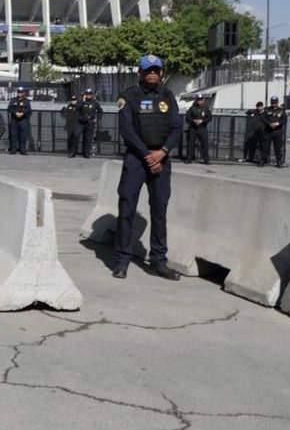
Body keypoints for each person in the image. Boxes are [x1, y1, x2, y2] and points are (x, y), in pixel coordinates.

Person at [112, 54, 183, 281]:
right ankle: (122, 260)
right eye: (148, 70)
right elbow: (127, 130)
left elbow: (176, 128)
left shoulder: (168, 96)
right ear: (140, 73)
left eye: (156, 70)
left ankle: (159, 261)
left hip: (161, 158)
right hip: (136, 158)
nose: (152, 73)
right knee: (126, 209)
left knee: (159, 211)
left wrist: (161, 153)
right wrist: (146, 155)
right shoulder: (128, 96)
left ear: (161, 73)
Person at [184, 93, 212, 164]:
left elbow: (209, 118)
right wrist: (194, 120)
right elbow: (188, 117)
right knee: (190, 144)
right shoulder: (192, 108)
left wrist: (202, 121)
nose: (199, 101)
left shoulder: (206, 108)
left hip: (202, 128)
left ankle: (206, 160)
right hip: (193, 128)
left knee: (205, 144)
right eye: (198, 100)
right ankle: (189, 159)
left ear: (203, 100)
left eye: (201, 100)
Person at [260, 95, 287, 168]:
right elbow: (262, 118)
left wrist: (277, 123)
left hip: (277, 131)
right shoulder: (266, 109)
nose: (273, 103)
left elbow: (284, 120)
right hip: (268, 131)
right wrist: (269, 124)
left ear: (277, 102)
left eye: (275, 102)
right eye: (272, 102)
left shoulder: (282, 110)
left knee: (278, 147)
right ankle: (262, 161)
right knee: (265, 147)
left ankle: (279, 162)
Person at [77, 88, 103, 158]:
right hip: (82, 122)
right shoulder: (82, 102)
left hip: (90, 122)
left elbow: (100, 111)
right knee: (80, 137)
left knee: (88, 138)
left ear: (91, 95)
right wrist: (83, 101)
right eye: (87, 94)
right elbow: (77, 109)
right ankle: (81, 152)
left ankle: (86, 154)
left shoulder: (95, 102)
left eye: (89, 94)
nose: (88, 96)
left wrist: (97, 119)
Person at [6, 86, 31, 154]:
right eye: (18, 92)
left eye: (21, 92)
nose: (20, 93)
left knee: (23, 135)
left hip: (23, 120)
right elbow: (9, 108)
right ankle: (13, 149)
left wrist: (22, 113)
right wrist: (15, 113)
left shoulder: (26, 101)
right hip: (14, 120)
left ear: (23, 93)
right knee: (13, 135)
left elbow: (28, 109)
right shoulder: (13, 100)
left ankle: (22, 150)